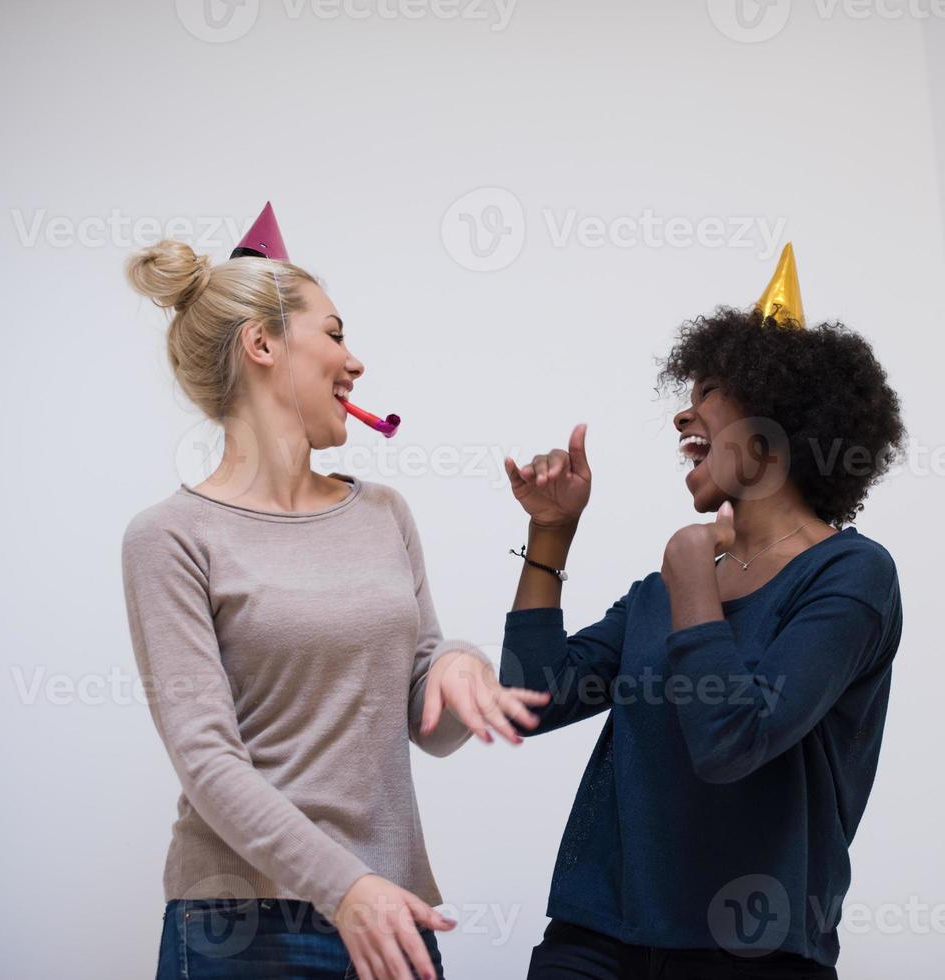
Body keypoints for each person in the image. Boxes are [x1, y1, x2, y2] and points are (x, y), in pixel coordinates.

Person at [121, 203, 550, 980]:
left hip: (392, 915)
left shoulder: (383, 513)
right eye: (335, 334)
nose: (354, 364)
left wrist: (456, 664)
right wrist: (344, 888)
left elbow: (431, 725)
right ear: (261, 344)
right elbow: (206, 760)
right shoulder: (170, 537)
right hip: (243, 926)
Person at [500, 246, 905, 978]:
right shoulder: (663, 593)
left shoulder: (850, 575)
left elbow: (732, 741)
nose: (682, 413)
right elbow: (527, 702)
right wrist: (550, 536)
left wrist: (691, 573)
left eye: (709, 391)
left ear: (772, 428)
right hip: (593, 940)